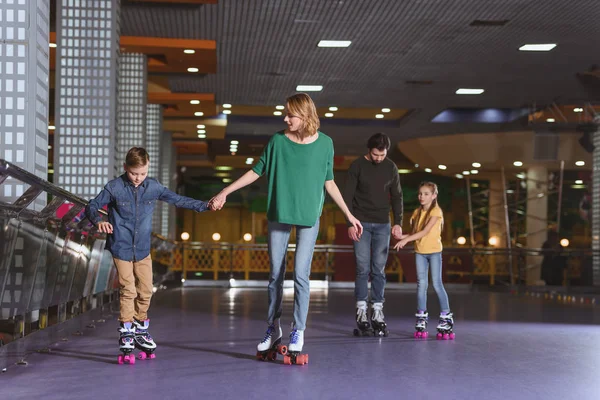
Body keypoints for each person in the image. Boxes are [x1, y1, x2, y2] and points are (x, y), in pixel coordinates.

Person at [209, 93, 363, 361]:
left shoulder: (326, 143)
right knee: (275, 275)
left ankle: (298, 330)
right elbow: (257, 170)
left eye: (290, 114)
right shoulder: (277, 140)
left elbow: (329, 182)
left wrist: (349, 214)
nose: (285, 118)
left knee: (301, 275)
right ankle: (273, 327)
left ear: (305, 116)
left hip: (309, 216)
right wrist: (225, 191)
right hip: (279, 213)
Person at [85, 147, 210, 363]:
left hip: (142, 249)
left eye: (142, 173)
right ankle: (126, 331)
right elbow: (92, 205)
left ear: (147, 169)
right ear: (126, 168)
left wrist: (205, 206)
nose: (138, 178)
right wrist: (99, 221)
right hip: (121, 247)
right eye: (134, 173)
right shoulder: (114, 187)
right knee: (128, 289)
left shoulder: (152, 187)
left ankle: (140, 328)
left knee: (145, 290)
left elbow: (178, 199)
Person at [343, 133, 403, 336]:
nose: (379, 158)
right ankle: (361, 312)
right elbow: (347, 197)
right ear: (369, 150)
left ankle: (377, 312)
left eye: (383, 154)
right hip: (360, 223)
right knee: (362, 268)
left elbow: (397, 196)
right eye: (376, 154)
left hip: (383, 224)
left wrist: (398, 223)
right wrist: (349, 223)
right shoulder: (357, 166)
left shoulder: (391, 167)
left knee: (379, 270)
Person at [394, 181, 454, 339]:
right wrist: (402, 236)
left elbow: (426, 232)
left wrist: (406, 241)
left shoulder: (436, 212)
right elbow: (416, 232)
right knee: (421, 284)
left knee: (436, 283)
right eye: (420, 193)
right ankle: (421, 316)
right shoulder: (416, 212)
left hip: (434, 252)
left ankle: (446, 316)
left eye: (426, 194)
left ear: (434, 196)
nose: (422, 196)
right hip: (420, 252)